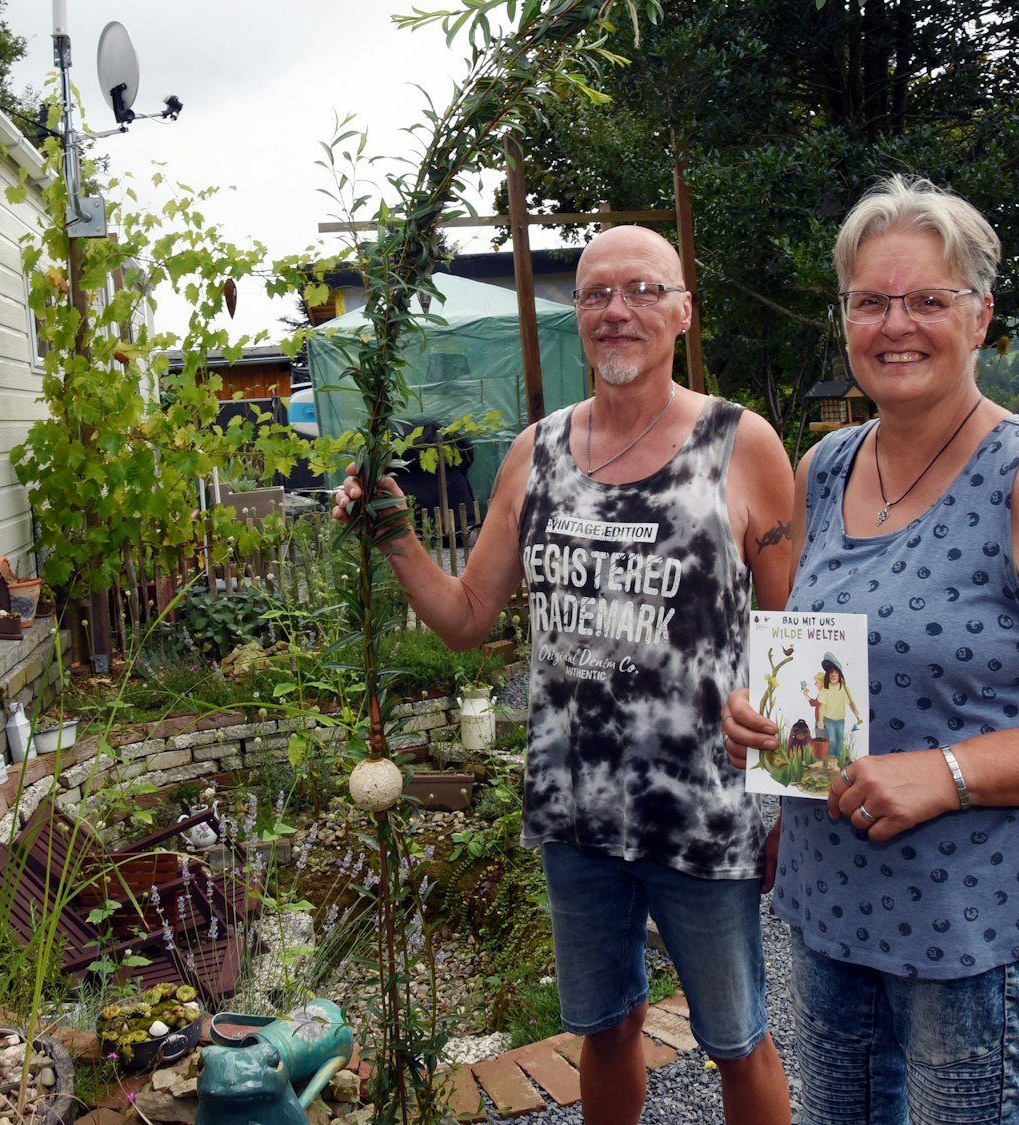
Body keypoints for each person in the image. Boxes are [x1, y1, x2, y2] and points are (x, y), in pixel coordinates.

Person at [721, 175, 1019, 1125]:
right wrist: (758, 713)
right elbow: (836, 658)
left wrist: (947, 772)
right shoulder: (828, 464)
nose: (898, 324)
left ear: (980, 317)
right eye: (871, 301)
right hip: (828, 902)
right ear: (844, 316)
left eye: (929, 300)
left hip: (969, 923)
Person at [336, 225, 795, 1125]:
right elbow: (469, 618)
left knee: (737, 1039)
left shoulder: (742, 445)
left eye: (642, 291)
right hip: (575, 808)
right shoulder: (536, 453)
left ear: (682, 312)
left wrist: (790, 803)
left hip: (703, 804)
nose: (617, 310)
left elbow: (796, 634)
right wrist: (394, 533)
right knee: (606, 1025)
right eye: (594, 294)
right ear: (576, 314)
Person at [802, 658, 862, 767]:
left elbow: (851, 703)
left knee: (839, 740)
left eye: (836, 672)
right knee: (832, 740)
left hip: (840, 719)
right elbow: (821, 707)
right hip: (828, 719)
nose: (833, 675)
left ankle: (834, 763)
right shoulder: (825, 690)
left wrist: (855, 711)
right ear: (828, 675)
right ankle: (829, 762)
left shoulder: (845, 689)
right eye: (831, 672)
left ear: (840, 675)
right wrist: (820, 720)